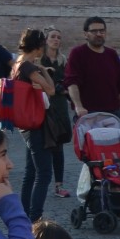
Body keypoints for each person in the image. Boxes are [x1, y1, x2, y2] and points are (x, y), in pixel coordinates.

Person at [0, 29, 58, 221]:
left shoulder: (17, 64)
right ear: (39, 46)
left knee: (31, 172)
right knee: (44, 173)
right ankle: (35, 217)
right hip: (36, 123)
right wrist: (43, 73)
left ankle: (25, 213)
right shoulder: (28, 67)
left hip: (24, 124)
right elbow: (51, 90)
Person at [64, 17, 120, 126]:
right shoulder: (78, 53)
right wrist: (78, 106)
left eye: (102, 31)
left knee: (115, 143)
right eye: (94, 31)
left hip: (113, 113)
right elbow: (72, 83)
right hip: (88, 113)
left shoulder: (112, 54)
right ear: (86, 34)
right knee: (90, 143)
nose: (98, 34)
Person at [41, 29, 73, 199]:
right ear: (45, 40)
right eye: (53, 37)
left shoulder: (63, 60)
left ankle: (59, 185)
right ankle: (40, 183)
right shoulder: (40, 60)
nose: (56, 40)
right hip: (43, 106)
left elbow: (68, 81)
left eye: (59, 37)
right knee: (42, 145)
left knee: (58, 146)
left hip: (59, 107)